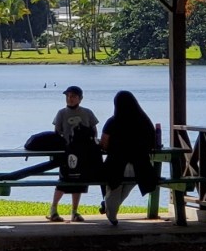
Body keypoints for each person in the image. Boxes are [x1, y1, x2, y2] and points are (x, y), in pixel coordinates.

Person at [98, 90, 159, 226]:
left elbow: (104, 144)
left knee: (113, 189)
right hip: (140, 167)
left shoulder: (113, 122)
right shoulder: (145, 121)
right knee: (125, 188)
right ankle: (109, 209)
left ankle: (111, 214)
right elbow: (153, 143)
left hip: (116, 164)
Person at [48, 85, 98, 222]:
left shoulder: (87, 113)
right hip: (67, 152)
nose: (70, 99)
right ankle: (53, 210)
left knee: (79, 182)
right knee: (63, 181)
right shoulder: (61, 113)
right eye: (68, 96)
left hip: (83, 153)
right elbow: (57, 133)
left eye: (73, 96)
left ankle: (75, 212)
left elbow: (94, 130)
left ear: (80, 99)